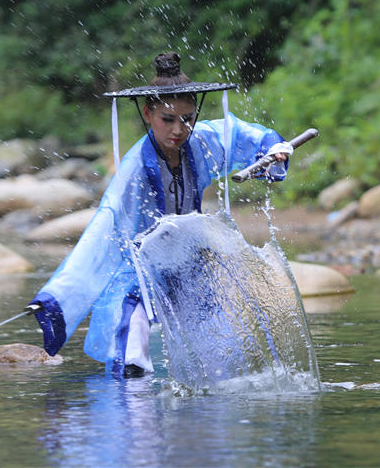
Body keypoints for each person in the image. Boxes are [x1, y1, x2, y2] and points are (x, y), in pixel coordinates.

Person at [29, 52, 293, 377]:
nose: (179, 130)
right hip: (140, 270)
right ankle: (133, 412)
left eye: (187, 118)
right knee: (131, 345)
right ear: (148, 113)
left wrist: (271, 150)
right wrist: (55, 298)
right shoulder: (135, 169)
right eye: (168, 119)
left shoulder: (202, 142)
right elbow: (103, 232)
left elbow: (240, 135)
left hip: (189, 263)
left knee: (221, 359)